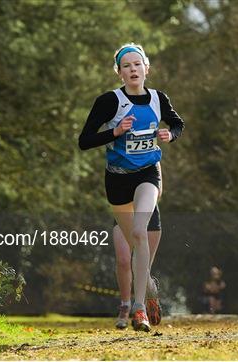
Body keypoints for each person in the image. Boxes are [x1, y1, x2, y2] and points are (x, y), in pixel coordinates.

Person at [79, 43, 184, 331]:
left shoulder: (158, 98)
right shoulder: (109, 102)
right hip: (117, 181)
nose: (133, 69)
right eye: (127, 66)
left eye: (138, 64)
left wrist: (170, 134)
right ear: (120, 73)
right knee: (137, 253)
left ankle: (139, 310)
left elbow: (177, 123)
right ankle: (148, 289)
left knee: (140, 232)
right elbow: (84, 140)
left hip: (149, 173)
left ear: (146, 69)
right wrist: (115, 132)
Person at [113, 166, 163, 329]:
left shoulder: (150, 155)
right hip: (125, 212)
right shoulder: (118, 153)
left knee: (143, 268)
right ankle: (125, 306)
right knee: (123, 260)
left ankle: (150, 292)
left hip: (147, 215)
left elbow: (159, 190)